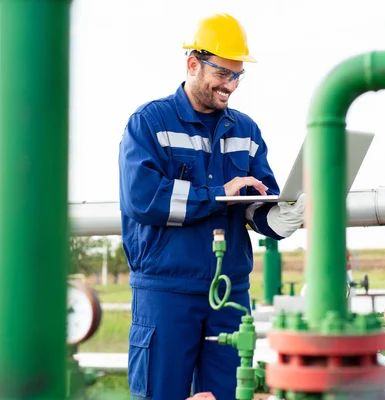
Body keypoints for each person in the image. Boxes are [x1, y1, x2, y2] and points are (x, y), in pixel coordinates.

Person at [118, 12, 305, 400]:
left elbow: (253, 203)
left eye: (238, 75)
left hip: (230, 290)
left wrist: (285, 215)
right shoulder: (149, 123)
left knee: (232, 393)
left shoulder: (246, 130)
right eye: (223, 74)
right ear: (193, 64)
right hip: (168, 291)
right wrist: (218, 191)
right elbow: (144, 198)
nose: (231, 86)